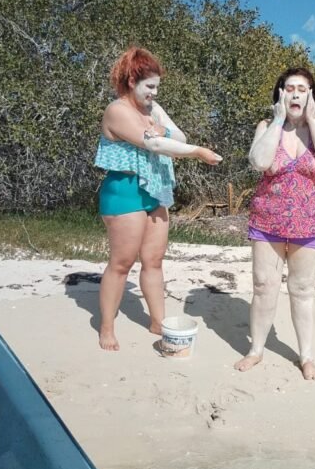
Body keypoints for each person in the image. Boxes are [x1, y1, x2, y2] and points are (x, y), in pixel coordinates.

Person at [95, 46, 222, 351]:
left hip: (155, 189)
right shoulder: (117, 111)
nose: (153, 93)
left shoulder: (152, 109)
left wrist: (161, 125)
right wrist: (197, 152)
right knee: (122, 263)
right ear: (130, 82)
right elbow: (155, 145)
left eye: (156, 87)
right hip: (125, 191)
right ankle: (107, 327)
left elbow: (176, 136)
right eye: (149, 87)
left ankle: (158, 321)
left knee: (154, 260)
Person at [234, 67, 315, 381]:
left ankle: (305, 356)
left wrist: (311, 121)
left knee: (301, 289)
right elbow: (259, 162)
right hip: (267, 218)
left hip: (311, 221)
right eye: (289, 88)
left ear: (311, 94)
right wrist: (279, 121)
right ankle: (256, 349)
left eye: (302, 88)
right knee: (263, 286)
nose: (295, 93)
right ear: (281, 93)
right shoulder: (266, 126)